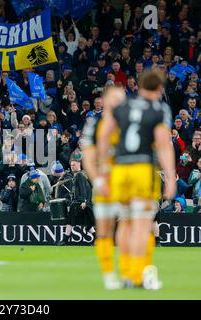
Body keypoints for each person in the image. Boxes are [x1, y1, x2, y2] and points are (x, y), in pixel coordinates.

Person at [97, 70, 176, 290]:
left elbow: (103, 136)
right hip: (143, 170)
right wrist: (170, 177)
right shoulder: (159, 109)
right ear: (159, 89)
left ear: (139, 86)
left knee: (124, 222)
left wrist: (104, 167)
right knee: (142, 225)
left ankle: (126, 273)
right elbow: (163, 144)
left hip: (121, 169)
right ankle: (139, 275)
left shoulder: (123, 106)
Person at [82, 86, 125, 289]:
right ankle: (108, 273)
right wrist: (97, 181)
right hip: (104, 181)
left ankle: (129, 271)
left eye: (121, 99)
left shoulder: (131, 121)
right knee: (105, 230)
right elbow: (88, 158)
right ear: (106, 101)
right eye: (115, 99)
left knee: (128, 226)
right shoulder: (95, 124)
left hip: (127, 182)